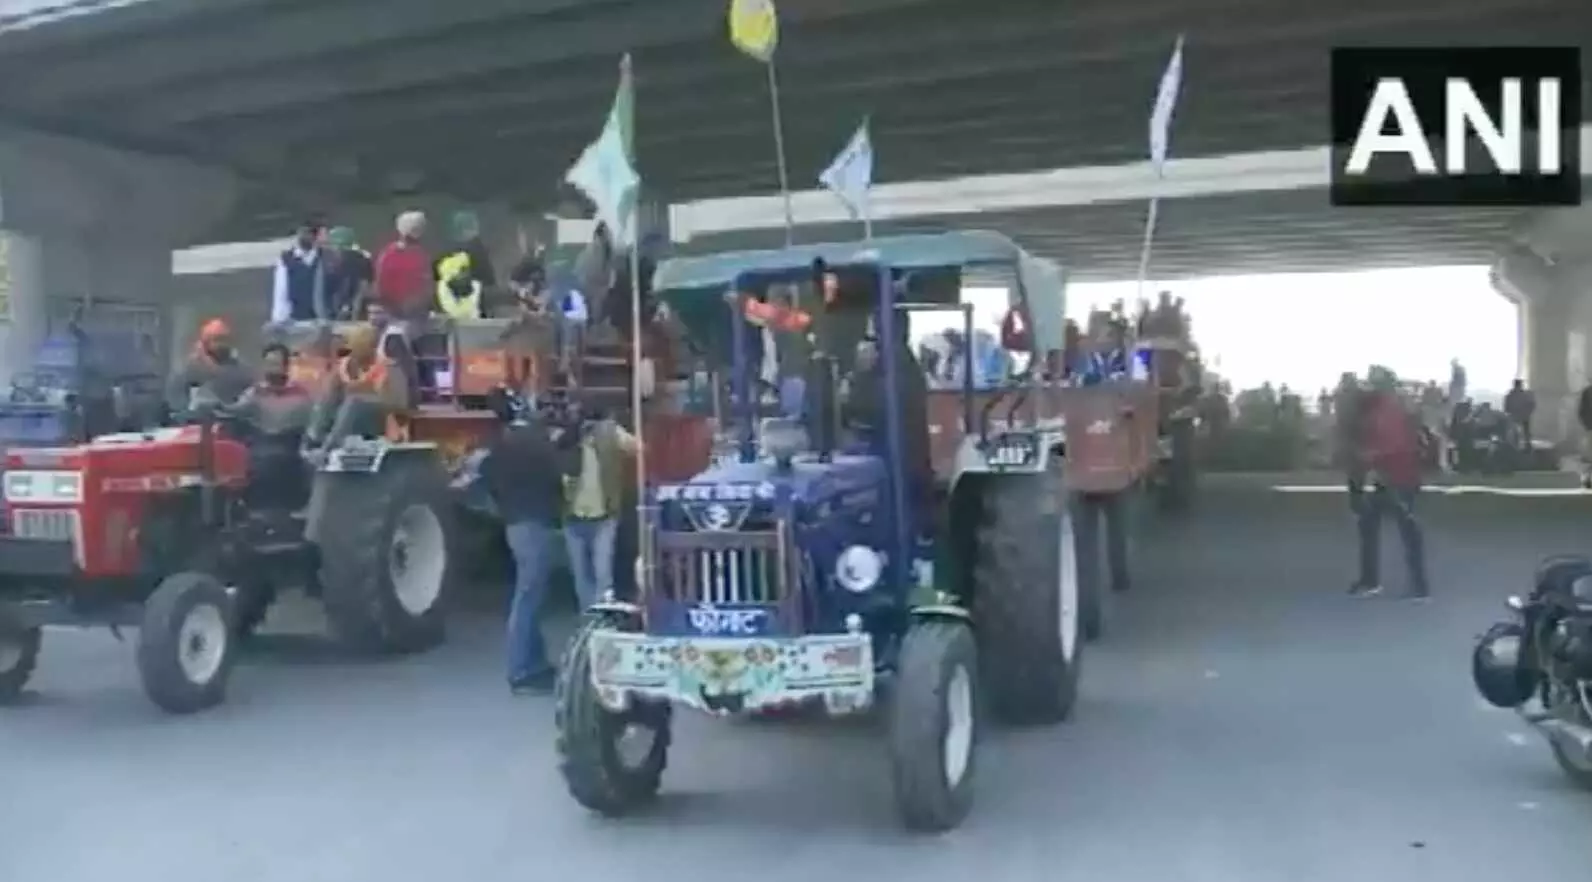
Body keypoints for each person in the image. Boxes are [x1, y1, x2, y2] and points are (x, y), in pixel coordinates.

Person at [479, 388, 571, 695]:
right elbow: (557, 474)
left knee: (530, 593)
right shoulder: (534, 440)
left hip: (514, 523)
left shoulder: (498, 444)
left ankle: (536, 663)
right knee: (529, 597)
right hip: (536, 522)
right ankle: (520, 668)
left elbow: (486, 478)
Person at [1350, 367, 1431, 600]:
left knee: (1407, 531)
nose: (1369, 386)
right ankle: (1374, 580)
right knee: (1372, 526)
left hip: (1398, 478)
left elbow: (1396, 444)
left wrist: (1370, 456)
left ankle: (1416, 586)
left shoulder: (1391, 409)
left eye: (1373, 382)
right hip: (1389, 478)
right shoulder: (1387, 407)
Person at [561, 401, 641, 611]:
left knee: (589, 574)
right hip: (585, 516)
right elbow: (637, 448)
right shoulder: (603, 433)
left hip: (590, 516)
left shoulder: (607, 433)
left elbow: (635, 448)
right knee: (594, 573)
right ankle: (592, 617)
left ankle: (594, 616)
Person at [227, 343, 315, 510]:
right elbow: (233, 411)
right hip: (260, 448)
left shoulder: (300, 395)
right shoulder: (254, 393)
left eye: (276, 364)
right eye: (269, 363)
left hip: (291, 449)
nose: (272, 368)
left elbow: (311, 425)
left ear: (286, 366)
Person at [305, 323, 411, 454]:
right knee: (326, 400)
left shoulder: (389, 367)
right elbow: (329, 398)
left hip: (380, 418)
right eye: (357, 345)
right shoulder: (342, 367)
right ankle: (314, 439)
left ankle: (329, 448)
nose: (363, 349)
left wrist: (367, 395)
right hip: (346, 418)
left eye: (368, 345)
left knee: (355, 402)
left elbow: (400, 403)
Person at [167, 318, 253, 417]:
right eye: (217, 339)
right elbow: (176, 399)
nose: (222, 344)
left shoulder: (240, 369)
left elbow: (246, 392)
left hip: (231, 421)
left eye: (225, 339)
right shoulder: (189, 368)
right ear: (205, 342)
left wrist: (213, 369)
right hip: (194, 422)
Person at [373, 211, 433, 323]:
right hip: (396, 313)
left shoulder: (420, 255)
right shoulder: (391, 254)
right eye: (415, 228)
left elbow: (426, 286)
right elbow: (381, 285)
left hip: (415, 314)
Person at [269, 219, 331, 324]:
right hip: (296, 321)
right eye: (302, 233)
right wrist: (278, 320)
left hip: (322, 320)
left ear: (314, 236)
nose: (304, 236)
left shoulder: (325, 258)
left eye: (308, 233)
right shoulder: (286, 260)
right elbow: (281, 293)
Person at [323, 226, 373, 319]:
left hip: (333, 310)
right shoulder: (363, 258)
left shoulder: (329, 260)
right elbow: (365, 287)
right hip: (356, 309)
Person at [1504, 379, 1536, 450]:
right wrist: (1528, 412)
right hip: (1523, 416)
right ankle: (1526, 445)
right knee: (1525, 431)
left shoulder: (1510, 395)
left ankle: (1515, 446)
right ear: (1520, 385)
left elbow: (1506, 407)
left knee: (1515, 432)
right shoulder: (1525, 395)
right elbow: (1532, 404)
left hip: (1515, 416)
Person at [1577, 382, 1592, 487]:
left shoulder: (1587, 391)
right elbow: (1582, 411)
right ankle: (1588, 477)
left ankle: (1588, 478)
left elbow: (1582, 411)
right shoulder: (1587, 392)